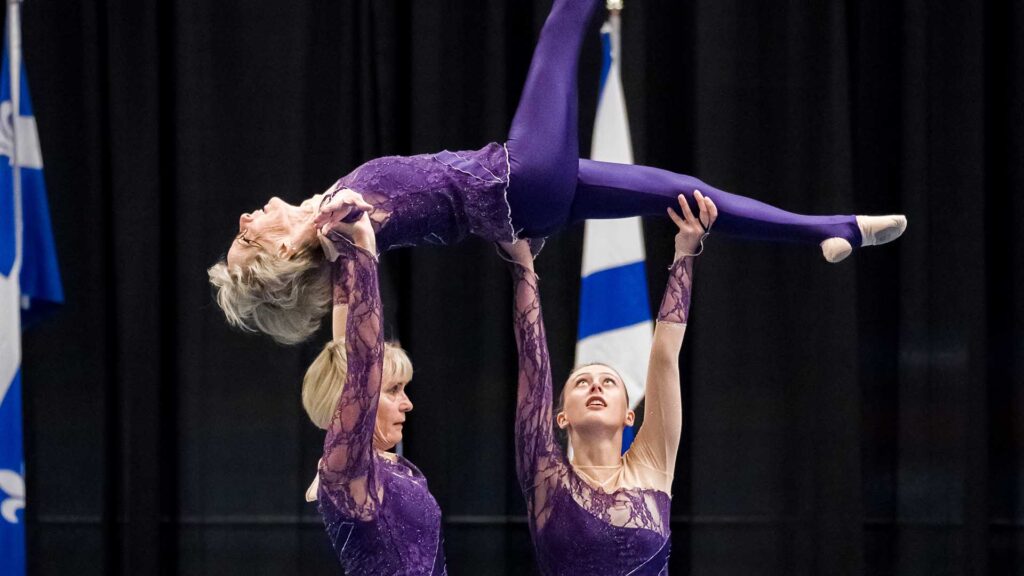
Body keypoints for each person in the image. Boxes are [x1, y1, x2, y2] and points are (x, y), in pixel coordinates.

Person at [210, 0, 906, 345]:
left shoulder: (328, 214)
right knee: (558, 27)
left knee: (684, 193)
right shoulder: (342, 229)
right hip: (522, 176)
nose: (243, 220)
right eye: (247, 237)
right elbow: (358, 248)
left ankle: (832, 231)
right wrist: (326, 242)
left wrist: (297, 234)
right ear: (277, 251)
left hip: (531, 206)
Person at [503, 192, 715, 575]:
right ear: (561, 417)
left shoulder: (653, 464)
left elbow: (665, 358)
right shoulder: (545, 475)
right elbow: (533, 371)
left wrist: (685, 252)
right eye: (582, 382)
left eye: (608, 383)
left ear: (630, 416)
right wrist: (523, 267)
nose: (596, 386)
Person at [301, 212, 446, 575]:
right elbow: (361, 360)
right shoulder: (347, 467)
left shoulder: (377, 462)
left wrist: (343, 259)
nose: (408, 403)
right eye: (394, 390)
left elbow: (347, 346)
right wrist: (365, 249)